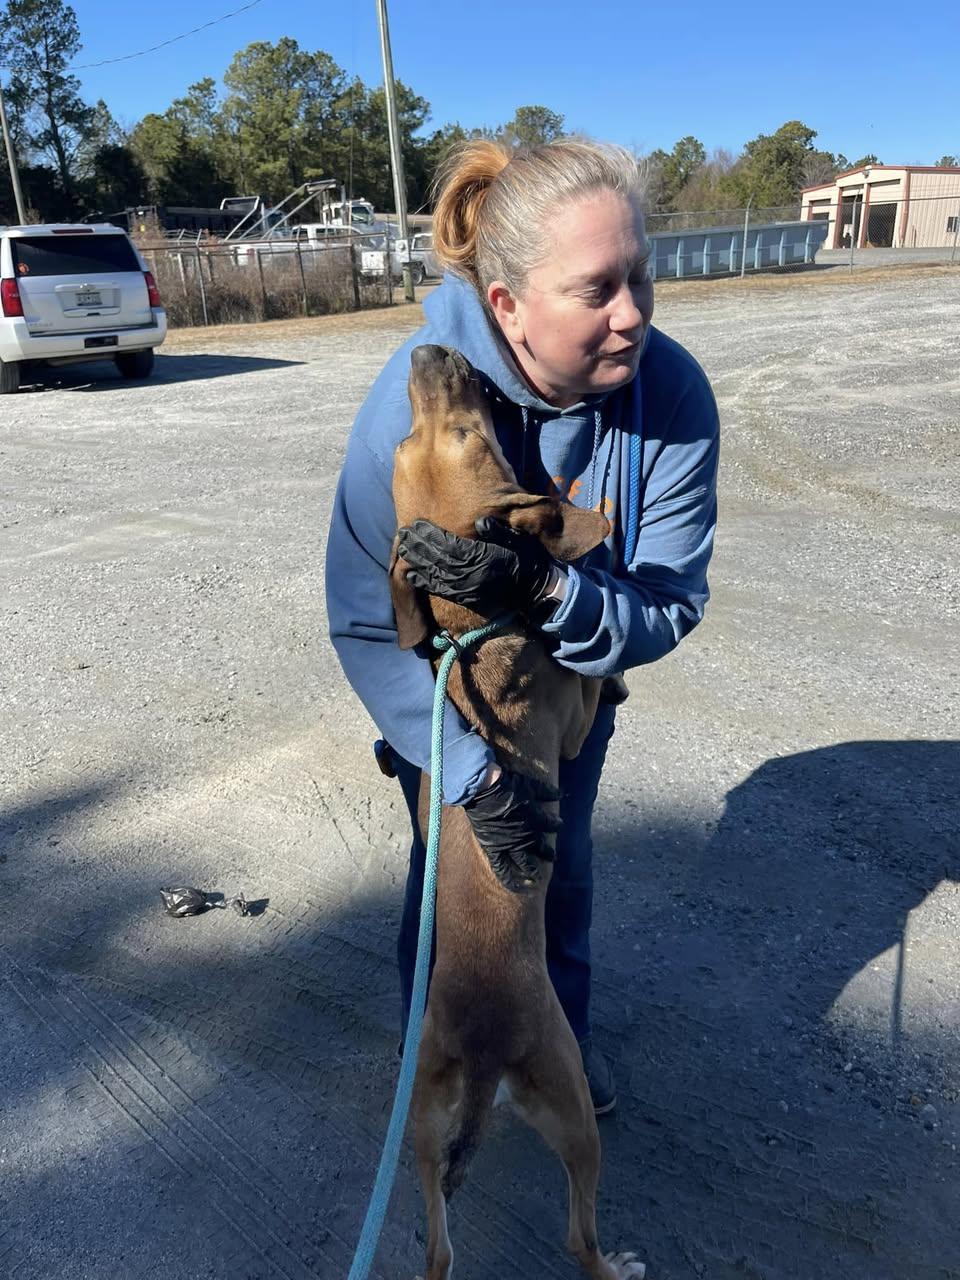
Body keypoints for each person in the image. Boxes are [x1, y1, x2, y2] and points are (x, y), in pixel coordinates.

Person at [325, 137, 719, 1115]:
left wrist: (548, 593)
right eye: (597, 289)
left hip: (573, 700)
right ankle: (444, 1065)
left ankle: (557, 1064)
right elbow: (366, 623)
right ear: (508, 304)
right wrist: (462, 770)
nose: (634, 313)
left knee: (562, 874)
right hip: (443, 694)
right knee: (448, 881)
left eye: (641, 276)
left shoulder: (670, 397)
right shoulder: (411, 418)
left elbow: (668, 600)